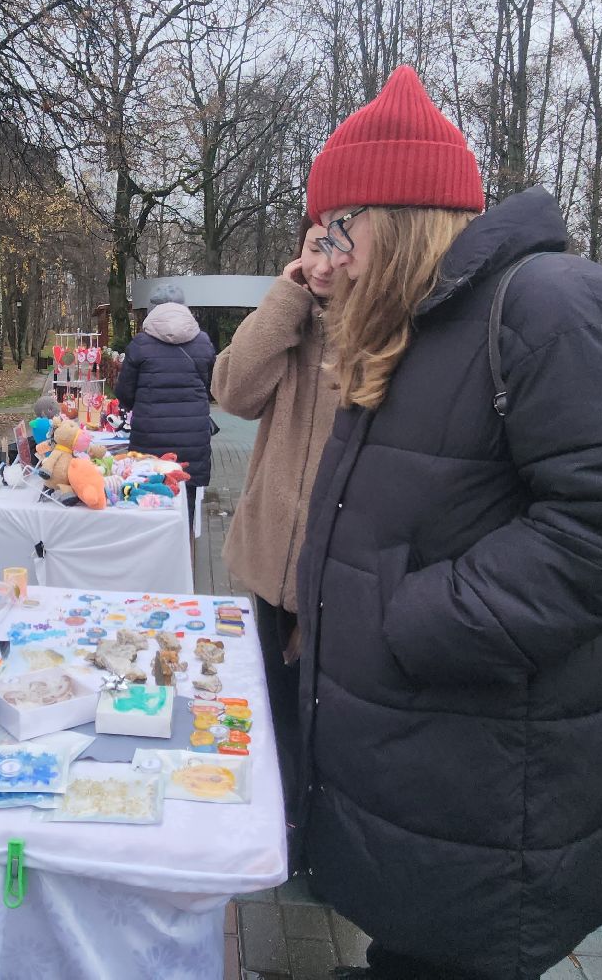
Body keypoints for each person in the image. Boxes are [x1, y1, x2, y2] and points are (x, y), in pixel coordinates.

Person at [292, 66, 602, 980]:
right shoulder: (416, 323)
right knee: (413, 944)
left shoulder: (553, 303)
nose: (328, 257)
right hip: (427, 753)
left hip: (487, 766)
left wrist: (420, 618)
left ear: (390, 221)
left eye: (336, 229)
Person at [211, 215, 341, 806]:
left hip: (339, 568)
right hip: (270, 557)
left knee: (330, 717)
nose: (322, 264)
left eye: (338, 249)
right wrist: (283, 302)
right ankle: (283, 816)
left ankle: (316, 820)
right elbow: (234, 391)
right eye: (315, 247)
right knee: (275, 701)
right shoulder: (292, 321)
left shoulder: (387, 331)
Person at [115, 284, 217, 511]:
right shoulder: (203, 342)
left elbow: (124, 394)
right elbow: (211, 389)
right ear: (184, 308)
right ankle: (187, 542)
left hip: (149, 438)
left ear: (152, 310)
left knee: (149, 501)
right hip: (193, 437)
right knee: (189, 503)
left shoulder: (140, 344)